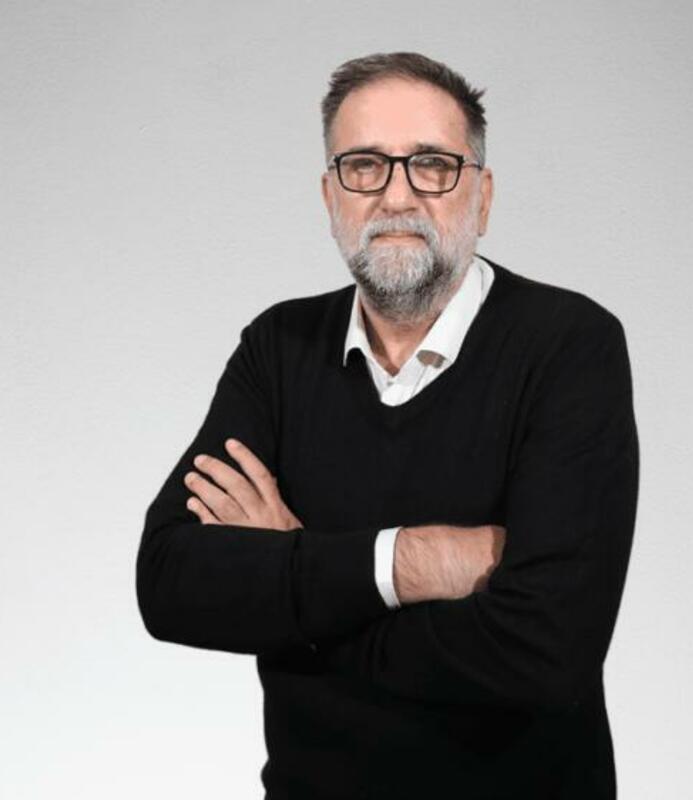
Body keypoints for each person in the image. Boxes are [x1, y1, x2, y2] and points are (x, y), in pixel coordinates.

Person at [135, 51, 639, 800]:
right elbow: (170, 582)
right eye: (364, 166)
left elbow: (548, 653)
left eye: (433, 165)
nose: (396, 195)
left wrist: (299, 590)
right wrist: (407, 561)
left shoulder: (569, 345)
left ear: (483, 196)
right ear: (330, 196)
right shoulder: (279, 349)